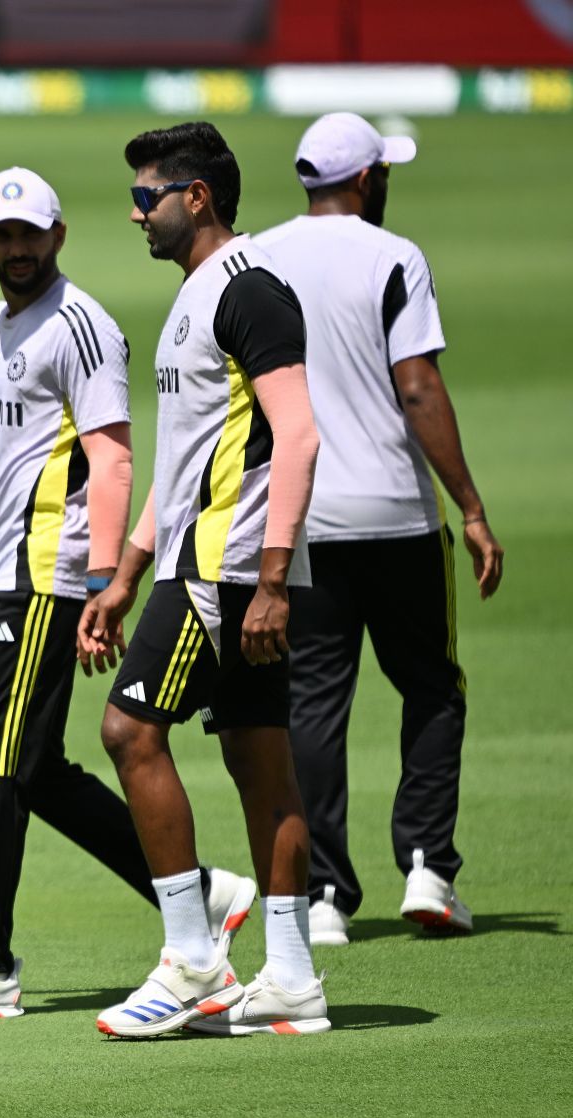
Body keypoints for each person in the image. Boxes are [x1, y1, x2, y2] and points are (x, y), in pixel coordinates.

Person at [0, 168, 255, 1019]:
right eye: (1, 237)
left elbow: (113, 455)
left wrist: (106, 580)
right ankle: (204, 891)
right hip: (13, 573)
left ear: (59, 236)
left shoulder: (80, 326)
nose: (17, 252)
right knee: (31, 768)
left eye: (30, 235)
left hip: (51, 578)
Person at [80, 121, 328, 1036]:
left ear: (198, 198)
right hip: (204, 559)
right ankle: (292, 979)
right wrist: (119, 578)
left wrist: (269, 580)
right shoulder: (197, 295)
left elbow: (296, 434)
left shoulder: (248, 290)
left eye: (148, 197)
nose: (135, 212)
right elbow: (184, 465)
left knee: (128, 731)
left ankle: (189, 959)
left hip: (225, 568)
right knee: (259, 758)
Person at [253, 113, 503, 947]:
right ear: (365, 180)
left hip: (303, 519)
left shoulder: (262, 255)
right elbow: (419, 388)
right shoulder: (394, 257)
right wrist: (469, 505)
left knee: (316, 703)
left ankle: (325, 897)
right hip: (396, 513)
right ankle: (428, 867)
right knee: (432, 685)